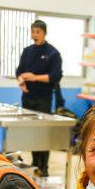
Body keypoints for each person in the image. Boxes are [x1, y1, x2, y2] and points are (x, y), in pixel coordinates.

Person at [15, 19, 62, 177]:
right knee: (32, 132)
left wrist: (35, 77)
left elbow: (55, 76)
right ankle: (35, 163)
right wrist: (20, 80)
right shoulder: (27, 51)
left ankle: (44, 166)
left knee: (43, 132)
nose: (34, 35)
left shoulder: (52, 53)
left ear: (44, 33)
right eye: (33, 31)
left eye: (38, 32)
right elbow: (19, 70)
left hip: (44, 98)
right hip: (27, 97)